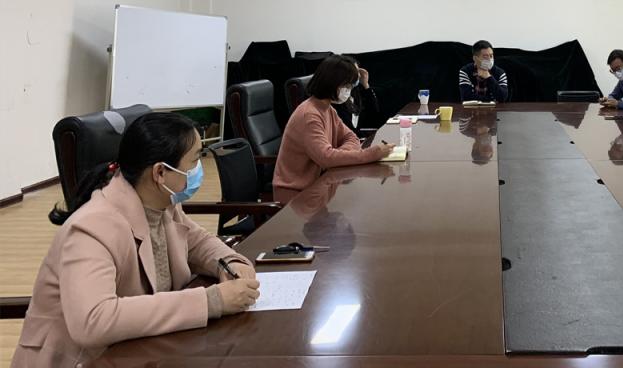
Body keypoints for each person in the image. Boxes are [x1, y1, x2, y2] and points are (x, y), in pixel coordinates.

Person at [14, 113, 260, 367]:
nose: (199, 170)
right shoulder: (91, 228)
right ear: (160, 173)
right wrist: (211, 301)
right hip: (81, 360)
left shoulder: (163, 203)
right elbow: (93, 320)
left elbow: (197, 242)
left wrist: (229, 262)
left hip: (139, 351)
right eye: (195, 160)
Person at [274, 55, 393, 203]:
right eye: (347, 86)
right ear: (331, 82)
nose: (349, 91)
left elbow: (351, 137)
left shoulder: (327, 108)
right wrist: (371, 154)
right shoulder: (309, 114)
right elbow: (326, 158)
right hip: (295, 195)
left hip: (319, 185)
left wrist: (340, 154)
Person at [334, 57, 380, 132]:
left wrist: (366, 85)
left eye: (358, 71)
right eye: (355, 72)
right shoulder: (339, 98)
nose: (358, 75)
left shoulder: (355, 93)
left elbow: (373, 111)